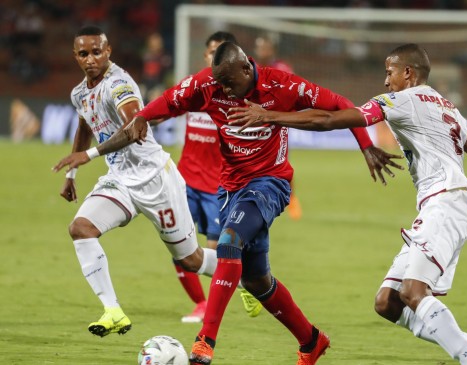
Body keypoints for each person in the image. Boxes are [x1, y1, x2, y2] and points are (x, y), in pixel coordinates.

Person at [228, 43, 467, 365]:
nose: (386, 81)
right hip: (445, 204)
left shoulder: (399, 100)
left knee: (413, 292)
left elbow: (329, 119)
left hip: (446, 202)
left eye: (390, 72)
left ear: (408, 73)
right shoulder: (446, 106)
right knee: (388, 302)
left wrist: (269, 116)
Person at [124, 42, 403, 365]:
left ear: (247, 68)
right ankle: (311, 341)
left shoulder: (281, 85)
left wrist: (366, 146)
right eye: (221, 84)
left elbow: (339, 104)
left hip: (270, 184)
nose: (225, 89)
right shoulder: (209, 84)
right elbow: (171, 100)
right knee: (256, 280)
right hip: (230, 188)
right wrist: (143, 116)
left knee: (229, 241)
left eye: (230, 82)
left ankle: (205, 343)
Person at [52, 25, 218, 337]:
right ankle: (112, 310)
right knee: (81, 229)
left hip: (156, 179)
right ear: (75, 56)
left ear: (108, 51)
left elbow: (134, 128)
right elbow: (85, 125)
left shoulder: (119, 83)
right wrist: (71, 175)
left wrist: (87, 156)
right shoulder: (79, 93)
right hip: (120, 180)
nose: (91, 59)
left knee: (192, 260)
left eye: (96, 52)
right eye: (84, 54)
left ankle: (241, 272)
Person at [175, 31, 263, 323]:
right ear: (205, 57)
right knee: (176, 244)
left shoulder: (234, 96)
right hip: (185, 180)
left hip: (216, 186)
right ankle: (200, 303)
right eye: (212, 53)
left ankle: (220, 304)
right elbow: (166, 109)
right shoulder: (194, 88)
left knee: (213, 252)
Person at [254, 34, 301, 220]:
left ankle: (292, 198)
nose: (262, 51)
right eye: (260, 48)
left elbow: (292, 91)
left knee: (281, 161)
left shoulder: (283, 68)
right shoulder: (251, 69)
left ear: (272, 49)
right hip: (256, 123)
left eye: (265, 47)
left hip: (278, 122)